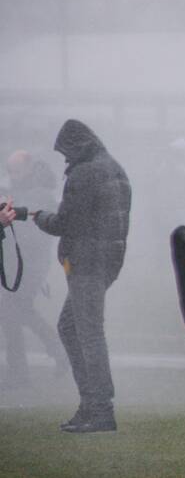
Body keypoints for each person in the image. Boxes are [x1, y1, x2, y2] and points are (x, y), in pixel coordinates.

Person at [32, 120, 131, 433]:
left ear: (75, 147)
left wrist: (37, 216)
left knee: (87, 334)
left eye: (65, 153)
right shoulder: (114, 167)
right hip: (107, 260)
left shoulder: (84, 172)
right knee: (72, 328)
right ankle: (92, 405)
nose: (64, 160)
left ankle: (99, 409)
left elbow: (65, 222)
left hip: (85, 262)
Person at [0, 151, 63, 388]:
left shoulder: (39, 194)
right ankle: (53, 353)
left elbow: (33, 232)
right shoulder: (21, 192)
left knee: (12, 311)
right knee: (17, 311)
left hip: (30, 264)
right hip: (21, 263)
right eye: (10, 171)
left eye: (16, 170)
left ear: (29, 169)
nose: (12, 175)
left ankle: (22, 370)